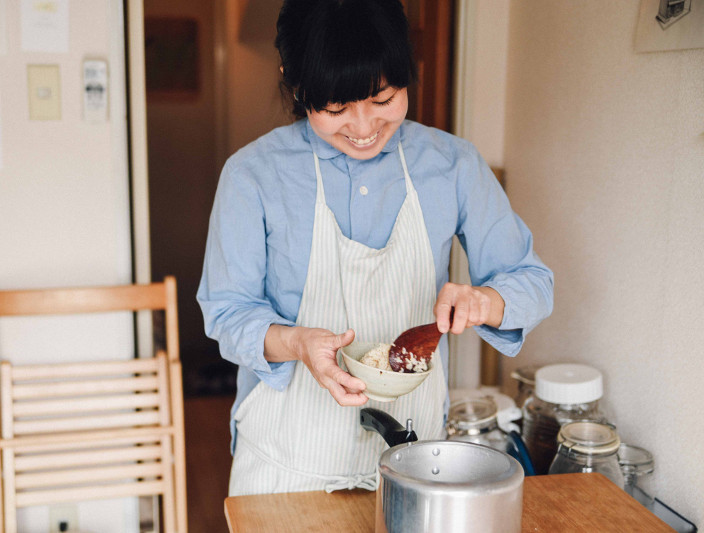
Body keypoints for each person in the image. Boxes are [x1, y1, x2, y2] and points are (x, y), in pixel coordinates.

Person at [197, 0, 553, 497]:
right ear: (295, 85)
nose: (363, 129)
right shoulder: (252, 174)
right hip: (285, 462)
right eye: (336, 108)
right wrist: (297, 343)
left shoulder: (452, 164)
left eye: (382, 98)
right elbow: (227, 312)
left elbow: (532, 281)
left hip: (416, 461)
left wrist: (485, 301)